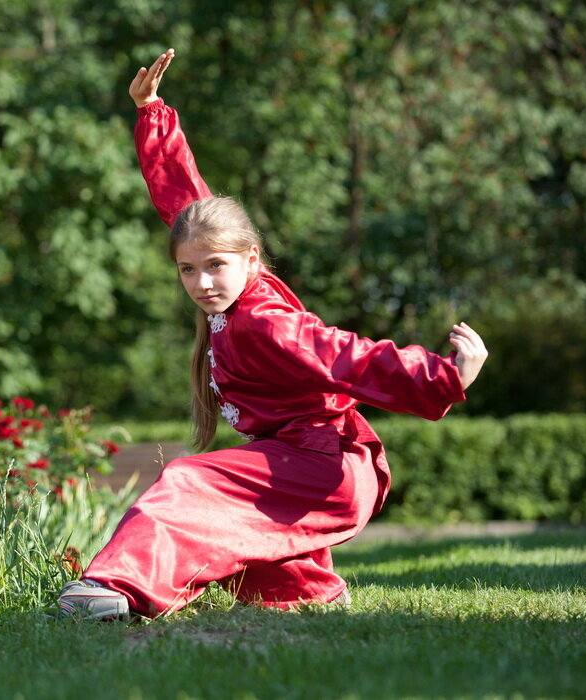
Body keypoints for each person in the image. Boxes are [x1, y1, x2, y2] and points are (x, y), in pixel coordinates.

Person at [57, 49, 488, 621]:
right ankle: (304, 589)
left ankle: (115, 587)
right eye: (189, 269)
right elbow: (188, 207)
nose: (203, 282)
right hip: (301, 460)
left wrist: (442, 376)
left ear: (250, 260)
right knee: (246, 539)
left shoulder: (261, 320)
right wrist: (152, 113)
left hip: (324, 465)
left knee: (189, 479)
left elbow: (344, 355)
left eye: (215, 267)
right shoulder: (234, 288)